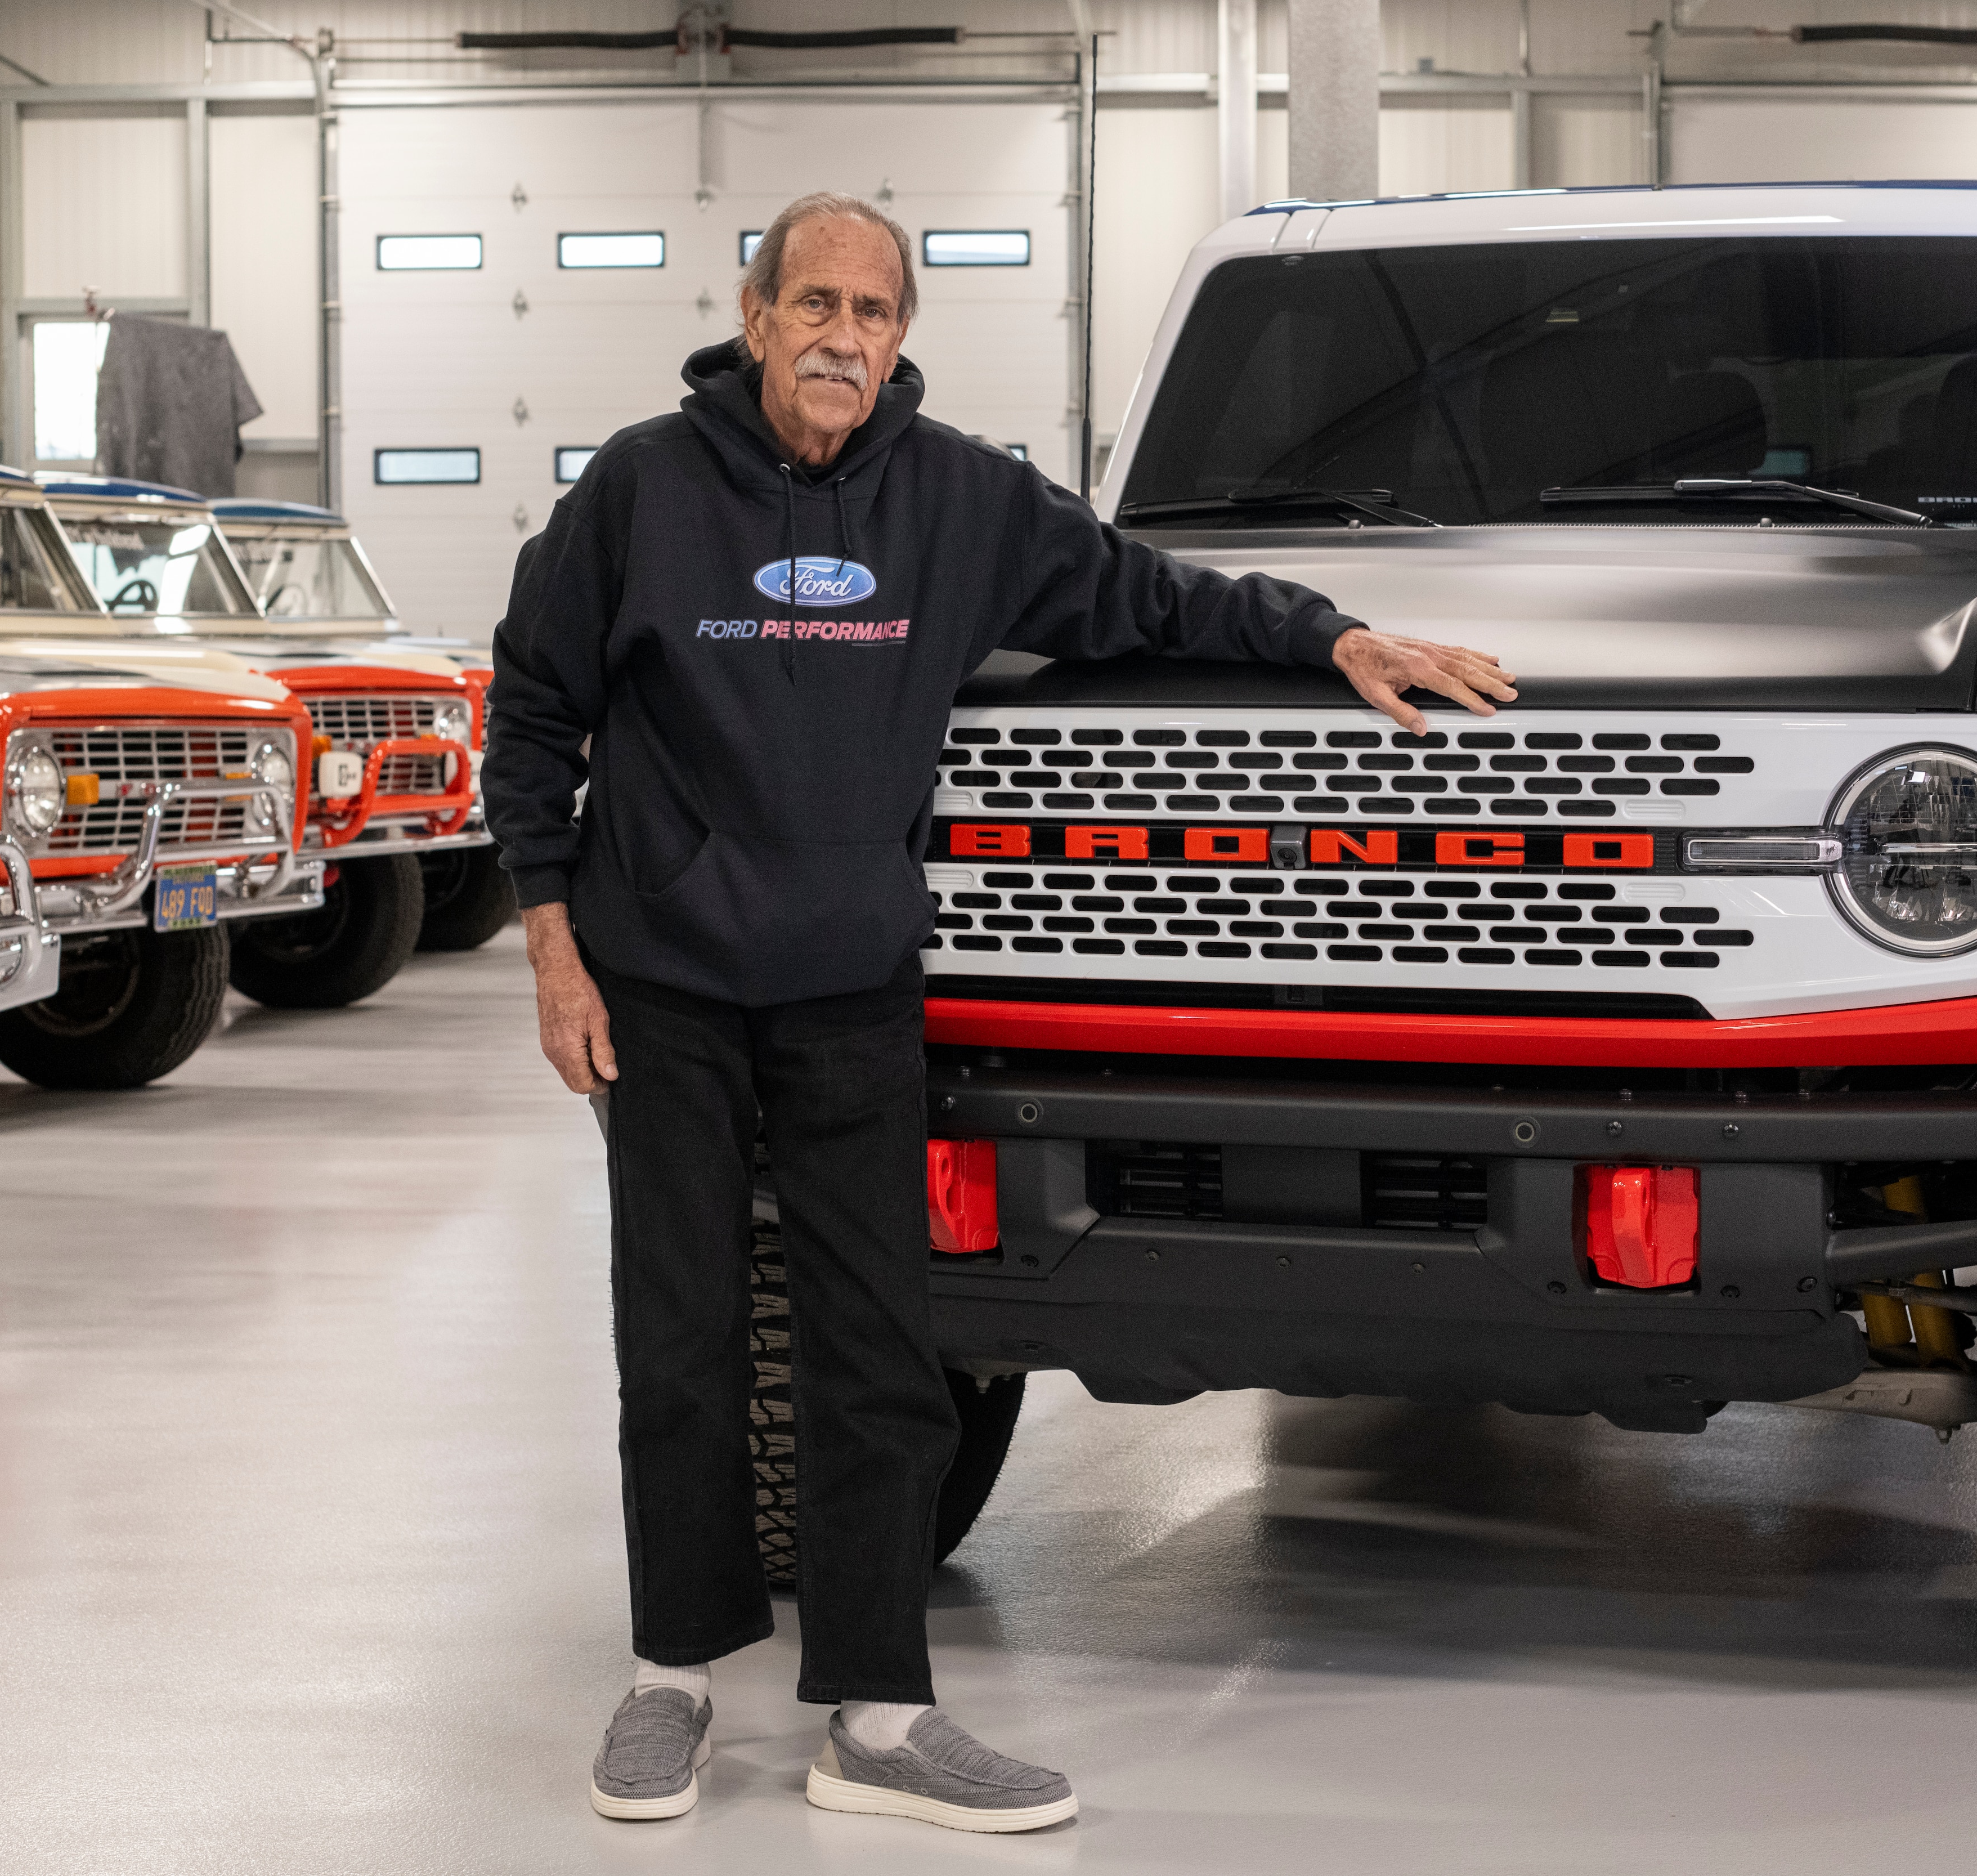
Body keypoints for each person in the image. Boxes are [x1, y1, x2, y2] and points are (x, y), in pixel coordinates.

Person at [483, 190, 1516, 1834]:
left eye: (872, 312)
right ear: (755, 318)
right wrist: (554, 949)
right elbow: (532, 715)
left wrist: (1336, 637)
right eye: (811, 304)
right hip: (663, 984)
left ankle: (879, 1716)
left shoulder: (962, 500)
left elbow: (1147, 595)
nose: (840, 337)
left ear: (901, 336)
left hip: (849, 990)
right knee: (681, 1339)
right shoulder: (638, 490)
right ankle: (672, 1677)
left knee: (880, 1346)